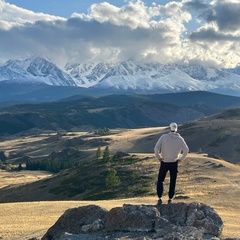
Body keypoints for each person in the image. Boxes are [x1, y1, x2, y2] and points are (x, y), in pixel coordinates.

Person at [154, 122, 189, 205]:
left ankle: (159, 198)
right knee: (173, 181)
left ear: (169, 128)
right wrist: (181, 159)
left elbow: (156, 148)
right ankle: (170, 199)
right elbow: (186, 150)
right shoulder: (180, 139)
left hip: (164, 162)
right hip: (174, 163)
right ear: (176, 129)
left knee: (160, 180)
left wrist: (158, 157)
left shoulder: (163, 137)